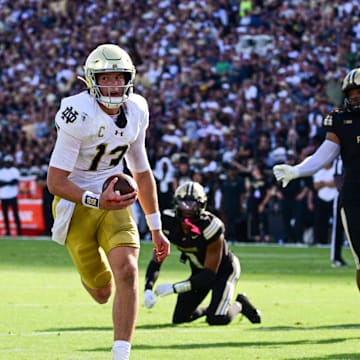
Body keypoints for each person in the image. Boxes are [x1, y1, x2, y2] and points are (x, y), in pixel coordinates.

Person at [47, 44, 170, 360]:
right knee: (102, 292)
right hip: (76, 204)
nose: (114, 85)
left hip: (114, 193)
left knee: (128, 271)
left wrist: (156, 228)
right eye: (106, 78)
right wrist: (95, 200)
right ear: (91, 81)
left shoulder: (137, 110)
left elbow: (142, 173)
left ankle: (121, 354)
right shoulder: (77, 113)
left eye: (119, 77)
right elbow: (56, 182)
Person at [273, 68, 360, 290]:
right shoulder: (341, 119)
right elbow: (325, 154)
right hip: (354, 195)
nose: (356, 96)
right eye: (352, 92)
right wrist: (297, 171)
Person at [143, 181, 261, 325]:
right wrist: (148, 288)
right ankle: (211, 309)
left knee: (217, 318)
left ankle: (240, 304)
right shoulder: (167, 222)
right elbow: (157, 258)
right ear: (176, 203)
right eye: (184, 203)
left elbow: (209, 275)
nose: (188, 209)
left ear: (202, 205)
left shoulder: (211, 226)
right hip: (199, 272)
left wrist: (175, 288)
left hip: (223, 272)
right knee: (180, 318)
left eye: (193, 204)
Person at [331, 156, 348, 267]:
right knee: (338, 227)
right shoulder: (340, 159)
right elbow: (337, 177)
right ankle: (336, 257)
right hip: (343, 195)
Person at [0, 155, 22, 236]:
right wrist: (9, 182)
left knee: (15, 214)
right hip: (4, 196)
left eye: (9, 162)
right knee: (5, 215)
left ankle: (19, 231)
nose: (7, 164)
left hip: (13, 195)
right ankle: (7, 231)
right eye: (6, 162)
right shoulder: (1, 171)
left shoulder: (15, 170)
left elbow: (15, 182)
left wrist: (5, 182)